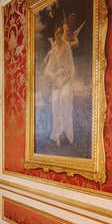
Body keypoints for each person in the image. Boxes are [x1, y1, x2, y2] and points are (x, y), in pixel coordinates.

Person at [43, 18, 85, 147]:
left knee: (65, 99)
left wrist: (65, 80)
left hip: (66, 79)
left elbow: (71, 66)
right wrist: (54, 76)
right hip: (56, 80)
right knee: (55, 103)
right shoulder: (54, 49)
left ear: (63, 35)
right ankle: (57, 134)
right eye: (56, 34)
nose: (58, 36)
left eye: (60, 34)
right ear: (55, 35)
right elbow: (47, 70)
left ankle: (67, 134)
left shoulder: (66, 46)